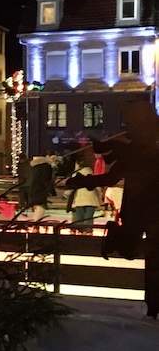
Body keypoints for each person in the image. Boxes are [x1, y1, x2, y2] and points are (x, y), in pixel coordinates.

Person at [67, 102, 159, 319]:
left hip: (141, 209)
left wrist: (83, 181)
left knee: (151, 258)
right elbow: (112, 174)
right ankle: (154, 305)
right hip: (146, 209)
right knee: (151, 257)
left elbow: (111, 177)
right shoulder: (136, 150)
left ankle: (154, 305)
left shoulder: (134, 151)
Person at [66, 151, 101, 232]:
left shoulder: (76, 175)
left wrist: (66, 195)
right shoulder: (91, 174)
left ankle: (79, 230)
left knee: (79, 216)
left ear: (78, 164)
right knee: (89, 216)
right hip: (91, 199)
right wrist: (100, 196)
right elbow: (97, 187)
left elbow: (71, 187)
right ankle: (88, 231)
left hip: (79, 199)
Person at [27, 154, 56, 221]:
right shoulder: (46, 167)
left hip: (34, 188)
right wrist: (51, 190)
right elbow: (45, 179)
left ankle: (35, 222)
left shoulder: (35, 167)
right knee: (41, 207)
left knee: (37, 206)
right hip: (41, 189)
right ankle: (35, 222)